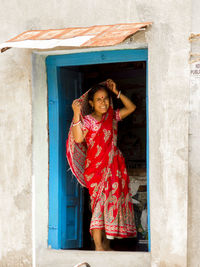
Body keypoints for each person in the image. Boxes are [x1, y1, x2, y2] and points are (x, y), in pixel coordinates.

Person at [66, 79, 137, 251]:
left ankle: (106, 245)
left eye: (106, 98)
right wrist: (76, 113)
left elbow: (131, 108)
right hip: (96, 170)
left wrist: (117, 92)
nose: (103, 102)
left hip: (114, 167)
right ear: (91, 103)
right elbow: (78, 138)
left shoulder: (111, 116)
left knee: (110, 206)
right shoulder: (88, 121)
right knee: (98, 207)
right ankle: (98, 247)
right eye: (99, 99)